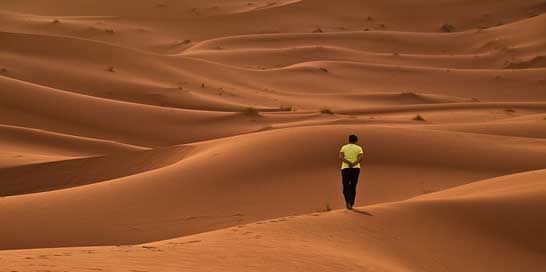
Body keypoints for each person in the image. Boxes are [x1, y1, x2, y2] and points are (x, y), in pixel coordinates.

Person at [339, 134, 364, 209]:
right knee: (353, 186)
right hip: (356, 168)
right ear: (356, 140)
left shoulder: (344, 147)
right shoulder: (359, 148)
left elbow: (341, 157)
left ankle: (348, 201)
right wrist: (354, 163)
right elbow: (361, 158)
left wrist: (349, 163)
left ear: (349, 140)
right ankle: (351, 202)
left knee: (345, 185)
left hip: (345, 168)